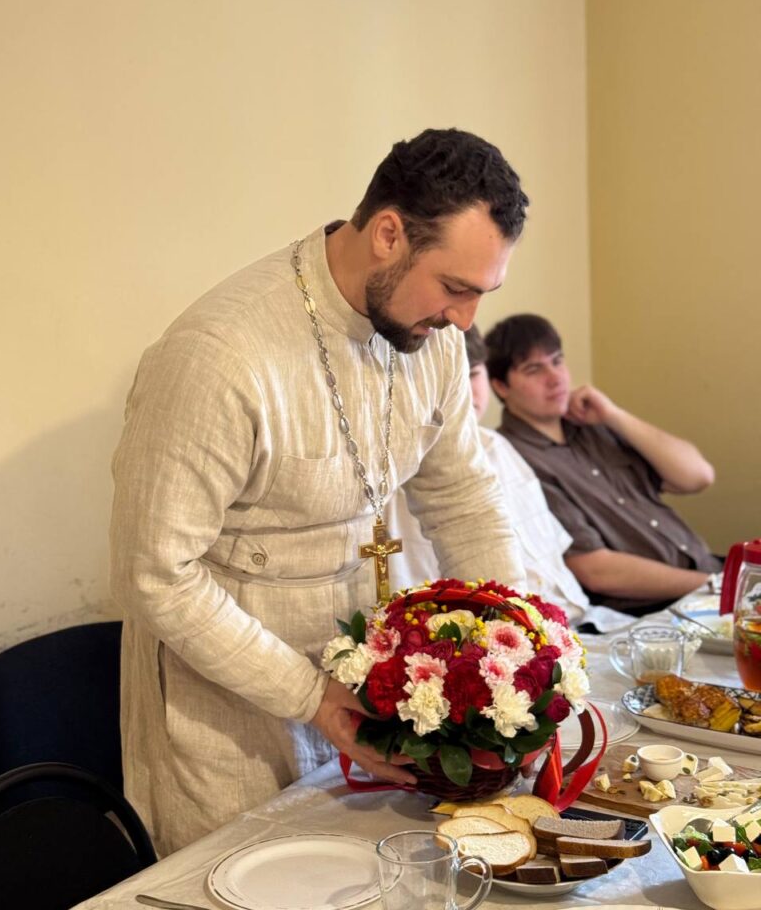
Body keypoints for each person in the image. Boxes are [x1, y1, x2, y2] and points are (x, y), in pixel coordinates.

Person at [109, 128, 530, 854]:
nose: (464, 320)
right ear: (389, 235)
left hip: (362, 691)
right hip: (224, 720)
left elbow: (464, 499)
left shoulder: (432, 339)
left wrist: (514, 650)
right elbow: (154, 573)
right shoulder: (219, 355)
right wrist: (310, 698)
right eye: (455, 288)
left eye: (480, 294)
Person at [485, 314, 722, 614]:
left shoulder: (592, 425)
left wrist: (614, 415)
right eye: (534, 370)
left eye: (557, 361)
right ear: (501, 387)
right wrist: (715, 585)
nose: (555, 378)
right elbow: (595, 571)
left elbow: (698, 476)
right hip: (653, 609)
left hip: (709, 575)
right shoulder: (512, 458)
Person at [387, 325, 590, 623]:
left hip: (577, 616)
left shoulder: (499, 446)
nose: (463, 392)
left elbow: (549, 556)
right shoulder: (408, 475)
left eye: (472, 375)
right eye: (453, 379)